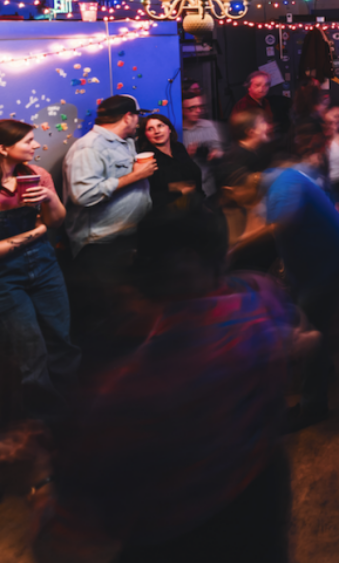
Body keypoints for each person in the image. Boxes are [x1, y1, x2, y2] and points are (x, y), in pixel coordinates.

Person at [34, 209, 299, 563]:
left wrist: (37, 483)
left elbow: (67, 542)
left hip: (182, 541)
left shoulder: (129, 392)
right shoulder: (259, 297)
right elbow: (298, 342)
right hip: (261, 498)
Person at [223, 144, 339, 432]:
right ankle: (324, 369)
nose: (239, 204)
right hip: (315, 267)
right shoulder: (269, 183)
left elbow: (281, 224)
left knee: (308, 329)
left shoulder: (283, 184)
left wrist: (234, 249)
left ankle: (313, 405)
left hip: (329, 266)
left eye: (234, 197)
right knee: (311, 323)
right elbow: (261, 221)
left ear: (242, 183)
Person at [0, 119, 79, 420]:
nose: (36, 145)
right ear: (3, 148)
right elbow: (42, 230)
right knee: (30, 351)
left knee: (61, 339)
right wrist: (35, 232)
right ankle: (43, 422)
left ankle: (72, 410)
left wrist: (49, 198)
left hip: (44, 265)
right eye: (28, 141)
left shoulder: (37, 175)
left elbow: (57, 221)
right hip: (5, 276)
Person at [63, 95, 156, 347]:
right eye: (137, 117)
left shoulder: (124, 142)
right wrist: (136, 176)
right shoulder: (89, 148)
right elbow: (84, 195)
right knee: (109, 315)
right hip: (101, 243)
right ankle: (106, 372)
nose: (138, 123)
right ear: (128, 117)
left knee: (128, 310)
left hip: (127, 237)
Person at [137, 114, 204, 213]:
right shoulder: (146, 157)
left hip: (195, 207)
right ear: (145, 135)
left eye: (160, 126)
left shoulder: (178, 147)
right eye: (150, 129)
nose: (157, 131)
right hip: (168, 215)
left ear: (169, 129)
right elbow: (152, 190)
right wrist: (178, 187)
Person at [218, 108, 272, 186]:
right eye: (262, 122)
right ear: (251, 132)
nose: (268, 126)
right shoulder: (240, 158)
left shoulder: (254, 151)